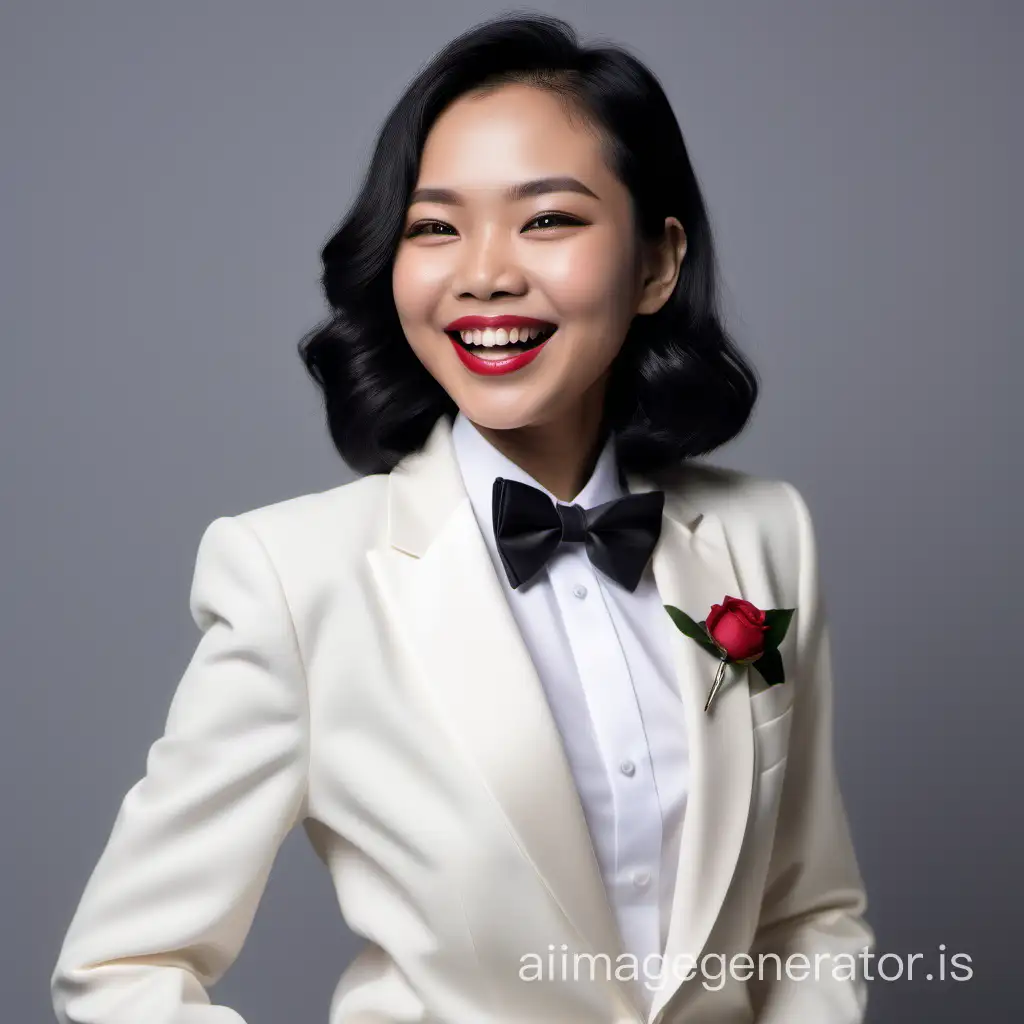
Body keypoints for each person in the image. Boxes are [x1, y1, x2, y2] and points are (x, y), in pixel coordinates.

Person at [50, 13, 874, 1024]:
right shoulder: (293, 576)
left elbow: (811, 912)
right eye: (434, 226)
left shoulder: (765, 534)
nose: (483, 272)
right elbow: (122, 966)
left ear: (657, 263)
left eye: (547, 220)